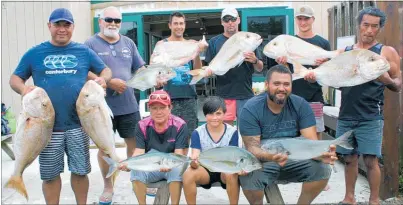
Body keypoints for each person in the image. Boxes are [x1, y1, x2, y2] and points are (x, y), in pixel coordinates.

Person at [9, 8, 112, 205]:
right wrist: (23, 89)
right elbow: (15, 78)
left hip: (79, 124)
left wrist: (102, 79)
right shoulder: (35, 53)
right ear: (49, 26)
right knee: (50, 175)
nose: (62, 29)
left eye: (67, 25)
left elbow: (105, 70)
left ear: (73, 27)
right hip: (44, 128)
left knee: (80, 172)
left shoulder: (84, 51)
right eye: (57, 24)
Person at [305, 7, 401, 205]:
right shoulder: (347, 52)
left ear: (380, 28)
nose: (369, 30)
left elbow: (398, 85)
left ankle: (374, 201)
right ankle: (349, 198)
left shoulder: (385, 52)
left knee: (371, 160)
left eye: (375, 26)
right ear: (359, 25)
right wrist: (316, 76)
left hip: (371, 115)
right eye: (366, 25)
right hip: (346, 113)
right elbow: (337, 79)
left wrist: (386, 80)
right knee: (348, 158)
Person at [238, 65, 337, 205]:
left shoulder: (301, 105)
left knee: (322, 168)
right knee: (248, 174)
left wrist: (321, 154)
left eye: (286, 84)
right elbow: (252, 148)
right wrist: (272, 157)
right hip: (264, 161)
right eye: (276, 84)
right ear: (266, 85)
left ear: (291, 85)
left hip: (294, 160)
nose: (281, 88)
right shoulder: (251, 108)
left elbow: (310, 143)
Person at [84, 6, 146, 205]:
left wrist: (154, 76)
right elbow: (83, 70)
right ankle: (108, 186)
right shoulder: (90, 44)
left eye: (117, 21)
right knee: (104, 148)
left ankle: (138, 180)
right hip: (100, 107)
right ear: (100, 21)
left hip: (129, 105)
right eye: (108, 20)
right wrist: (109, 82)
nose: (112, 24)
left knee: (135, 145)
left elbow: (140, 69)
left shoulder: (128, 43)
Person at [271, 5, 330, 141]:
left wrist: (323, 64)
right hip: (292, 96)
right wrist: (283, 64)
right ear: (296, 20)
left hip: (314, 96)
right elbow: (285, 74)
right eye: (300, 19)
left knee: (316, 132)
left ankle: (317, 160)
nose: (303, 22)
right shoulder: (289, 43)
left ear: (313, 19)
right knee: (293, 133)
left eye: (306, 19)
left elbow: (327, 71)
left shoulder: (323, 43)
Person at [119, 90, 189, 205]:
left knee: (177, 169)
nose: (158, 112)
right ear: (149, 109)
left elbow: (179, 154)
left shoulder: (180, 125)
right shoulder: (141, 125)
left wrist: (169, 165)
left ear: (170, 107)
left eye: (162, 107)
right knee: (136, 172)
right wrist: (128, 164)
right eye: (154, 108)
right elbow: (139, 151)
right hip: (150, 167)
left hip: (170, 166)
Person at [152, 11, 206, 154]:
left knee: (187, 134)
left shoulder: (191, 44)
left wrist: (197, 54)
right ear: (170, 25)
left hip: (189, 96)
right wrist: (156, 81)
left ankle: (182, 166)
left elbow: (198, 71)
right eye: (175, 23)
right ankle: (170, 167)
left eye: (181, 23)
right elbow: (153, 67)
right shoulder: (161, 44)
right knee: (168, 135)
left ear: (185, 25)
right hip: (168, 99)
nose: (178, 26)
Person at [204, 7, 264, 126]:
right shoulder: (214, 42)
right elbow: (209, 67)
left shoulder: (247, 40)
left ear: (238, 20)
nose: (230, 22)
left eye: (233, 19)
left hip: (246, 94)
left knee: (248, 130)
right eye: (226, 19)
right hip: (224, 95)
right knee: (226, 132)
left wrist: (255, 60)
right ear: (222, 22)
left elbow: (260, 68)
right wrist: (209, 71)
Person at [182, 96, 241, 204]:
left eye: (218, 113)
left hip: (225, 168)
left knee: (231, 173)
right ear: (205, 115)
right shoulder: (198, 132)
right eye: (211, 114)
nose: (214, 117)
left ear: (224, 114)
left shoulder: (232, 132)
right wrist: (193, 162)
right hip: (205, 170)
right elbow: (195, 155)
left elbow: (234, 156)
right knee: (188, 174)